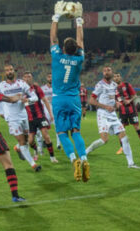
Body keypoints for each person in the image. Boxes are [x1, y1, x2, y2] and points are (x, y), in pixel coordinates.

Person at [50, 10, 91, 181]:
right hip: (74, 99)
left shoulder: (57, 56)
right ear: (76, 50)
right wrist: (79, 21)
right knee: (76, 131)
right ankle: (84, 159)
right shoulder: (79, 59)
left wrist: (56, 17)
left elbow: (53, 38)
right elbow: (80, 41)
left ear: (63, 48)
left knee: (61, 133)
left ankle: (73, 159)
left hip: (59, 99)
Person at [86, 66, 140, 169]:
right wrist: (105, 106)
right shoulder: (100, 85)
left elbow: (113, 98)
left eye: (109, 70)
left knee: (124, 138)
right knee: (104, 140)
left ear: (112, 72)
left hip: (113, 115)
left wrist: (116, 104)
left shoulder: (114, 85)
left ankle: (131, 163)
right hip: (102, 114)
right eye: (105, 71)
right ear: (103, 73)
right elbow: (91, 101)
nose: (107, 72)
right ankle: (86, 151)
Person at [0, 64, 41, 172]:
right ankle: (33, 164)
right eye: (7, 70)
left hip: (23, 116)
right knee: (22, 141)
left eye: (11, 70)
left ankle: (17, 147)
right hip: (11, 118)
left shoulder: (22, 83)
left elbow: (35, 97)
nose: (9, 72)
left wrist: (28, 101)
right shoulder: (0, 86)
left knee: (27, 140)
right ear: (5, 73)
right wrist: (2, 112)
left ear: (14, 71)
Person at [22, 72, 58, 163]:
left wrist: (50, 114)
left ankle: (52, 157)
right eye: (25, 77)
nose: (27, 78)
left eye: (29, 77)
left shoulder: (36, 88)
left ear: (32, 78)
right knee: (30, 141)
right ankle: (36, 150)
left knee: (46, 136)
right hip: (30, 119)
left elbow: (45, 100)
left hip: (40, 116)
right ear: (23, 79)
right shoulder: (21, 90)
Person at [113, 73, 140, 155]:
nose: (116, 78)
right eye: (115, 76)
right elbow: (113, 99)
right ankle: (122, 147)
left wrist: (129, 100)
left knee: (137, 127)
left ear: (120, 77)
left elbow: (135, 95)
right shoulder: (113, 88)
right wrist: (116, 102)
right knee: (120, 129)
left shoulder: (127, 85)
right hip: (122, 111)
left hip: (131, 110)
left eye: (118, 76)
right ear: (113, 78)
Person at [41, 73, 61, 150]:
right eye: (49, 77)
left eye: (52, 77)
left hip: (56, 110)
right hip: (45, 110)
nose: (51, 79)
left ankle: (58, 144)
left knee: (58, 127)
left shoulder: (57, 88)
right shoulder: (42, 88)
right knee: (44, 127)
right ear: (47, 78)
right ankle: (44, 140)